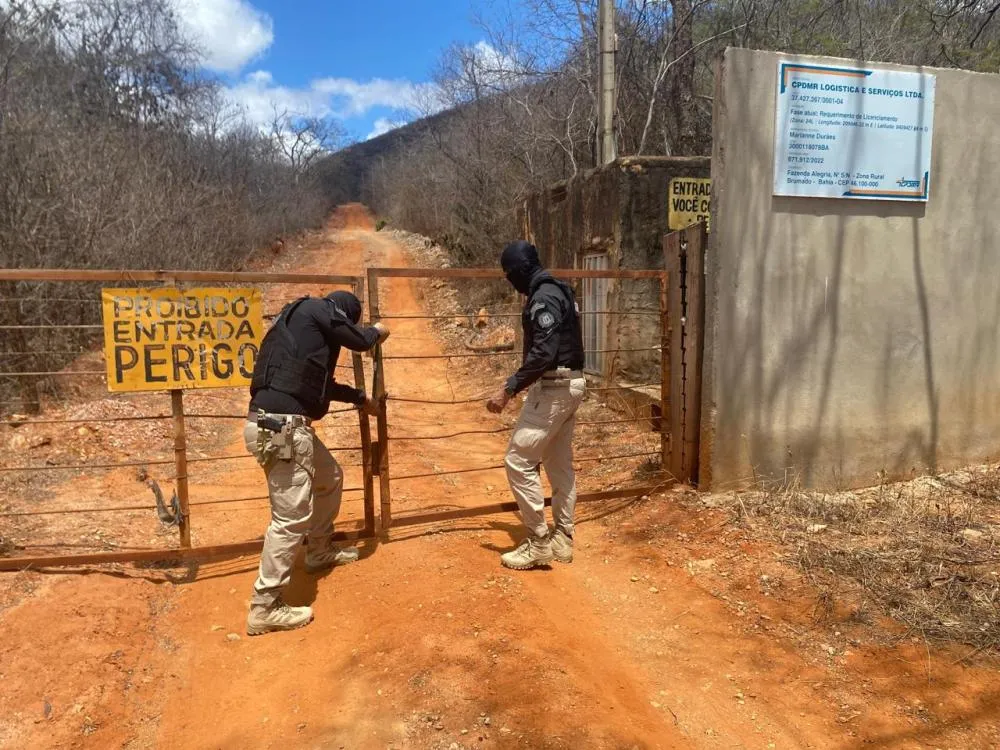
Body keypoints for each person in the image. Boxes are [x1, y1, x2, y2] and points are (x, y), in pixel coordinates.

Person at [243, 290, 388, 635]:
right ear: (342, 314)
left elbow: (320, 386)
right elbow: (361, 341)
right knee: (290, 518)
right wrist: (377, 332)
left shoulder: (298, 327)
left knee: (330, 476)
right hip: (282, 429)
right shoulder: (319, 309)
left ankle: (319, 551)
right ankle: (264, 605)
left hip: (278, 424)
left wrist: (359, 397)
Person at [487, 240, 586, 570]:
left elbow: (543, 354)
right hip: (571, 384)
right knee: (559, 464)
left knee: (517, 460)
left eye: (508, 274)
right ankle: (563, 537)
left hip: (554, 387)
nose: (508, 281)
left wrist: (509, 389)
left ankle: (539, 540)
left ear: (519, 271)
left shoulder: (542, 297)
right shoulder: (559, 289)